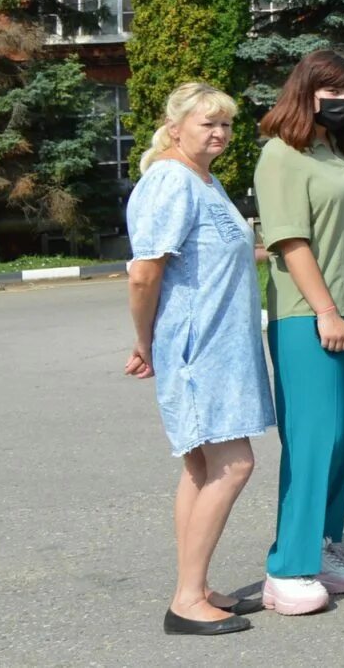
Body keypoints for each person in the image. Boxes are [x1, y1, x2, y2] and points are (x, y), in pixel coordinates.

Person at [125, 82, 273, 636]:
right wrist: (144, 342)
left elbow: (216, 253)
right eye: (208, 123)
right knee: (234, 464)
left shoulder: (201, 179)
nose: (219, 133)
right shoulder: (170, 179)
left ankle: (196, 584)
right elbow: (144, 272)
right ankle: (186, 601)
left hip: (217, 345)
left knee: (201, 465)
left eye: (226, 125)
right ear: (176, 125)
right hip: (197, 347)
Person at [255, 50, 344, 615]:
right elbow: (290, 242)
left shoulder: (342, 152)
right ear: (306, 91)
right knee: (313, 439)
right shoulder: (281, 155)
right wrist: (325, 311)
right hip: (308, 313)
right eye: (333, 91)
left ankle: (319, 545)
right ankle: (286, 567)